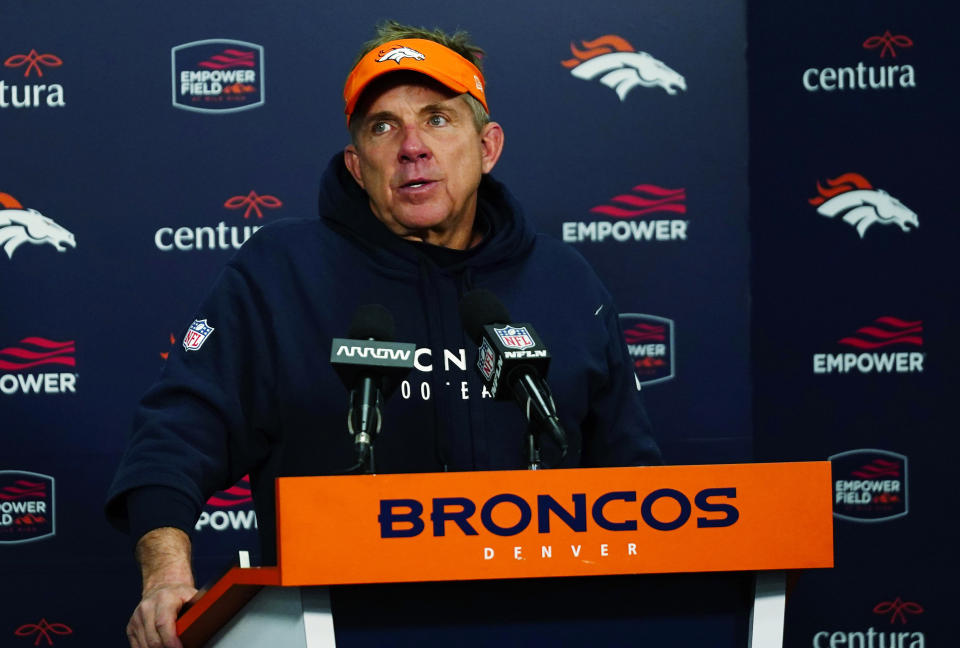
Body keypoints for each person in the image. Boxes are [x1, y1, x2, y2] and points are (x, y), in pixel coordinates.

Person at [106, 21, 660, 648]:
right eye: (382, 126)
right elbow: (174, 434)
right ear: (356, 163)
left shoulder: (566, 281)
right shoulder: (280, 273)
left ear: (487, 147)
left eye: (438, 119)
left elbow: (632, 476)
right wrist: (166, 575)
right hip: (335, 626)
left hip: (544, 624)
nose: (412, 147)